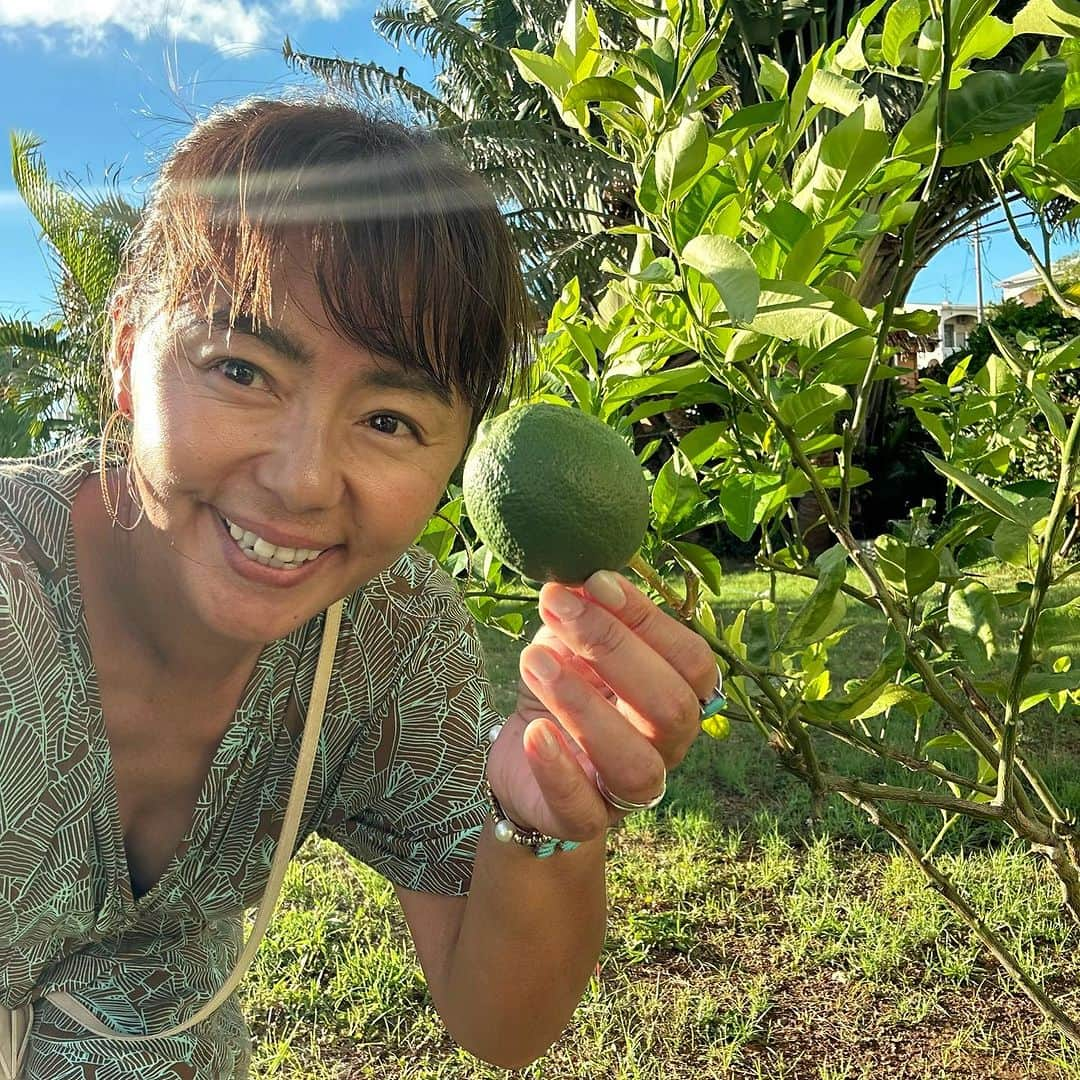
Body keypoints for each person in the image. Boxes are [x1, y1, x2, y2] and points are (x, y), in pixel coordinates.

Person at [0, 97, 721, 1079]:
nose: (303, 480)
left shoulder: (385, 638)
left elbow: (501, 1025)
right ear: (127, 355)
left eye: (388, 420)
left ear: (457, 457)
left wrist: (544, 819)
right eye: (243, 370)